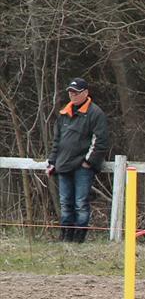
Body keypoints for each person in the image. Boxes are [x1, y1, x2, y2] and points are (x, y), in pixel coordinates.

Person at [46, 78, 109, 242]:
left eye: (76, 92)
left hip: (83, 167)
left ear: (85, 93)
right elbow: (57, 141)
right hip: (63, 165)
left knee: (81, 203)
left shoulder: (95, 113)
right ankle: (66, 237)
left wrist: (88, 162)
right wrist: (52, 162)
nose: (72, 95)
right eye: (70, 92)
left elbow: (101, 141)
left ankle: (79, 238)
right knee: (65, 203)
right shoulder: (63, 113)